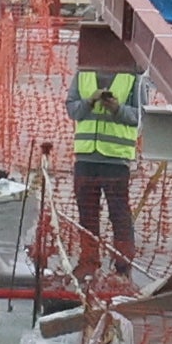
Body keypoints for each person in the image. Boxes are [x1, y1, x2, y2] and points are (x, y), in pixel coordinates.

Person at [68, 64, 140, 273]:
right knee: (87, 213)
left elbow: (140, 116)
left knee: (119, 214)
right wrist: (90, 101)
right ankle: (89, 262)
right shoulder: (83, 73)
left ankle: (123, 267)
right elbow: (72, 109)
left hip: (116, 158)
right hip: (86, 156)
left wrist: (117, 108)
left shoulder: (132, 76)